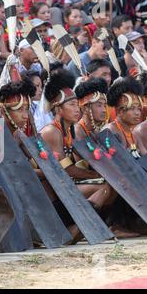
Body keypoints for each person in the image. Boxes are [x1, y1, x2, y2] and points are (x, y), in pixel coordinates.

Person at [40, 69, 117, 240]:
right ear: (58, 109)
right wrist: (94, 174)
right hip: (51, 196)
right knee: (105, 188)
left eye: (77, 104)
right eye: (72, 105)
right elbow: (65, 169)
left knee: (110, 186)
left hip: (62, 187)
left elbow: (80, 161)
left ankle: (85, 228)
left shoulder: (68, 131)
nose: (77, 109)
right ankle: (77, 230)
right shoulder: (52, 131)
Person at [104, 77, 146, 158]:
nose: (137, 113)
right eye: (132, 108)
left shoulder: (134, 133)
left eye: (138, 108)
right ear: (119, 111)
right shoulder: (110, 131)